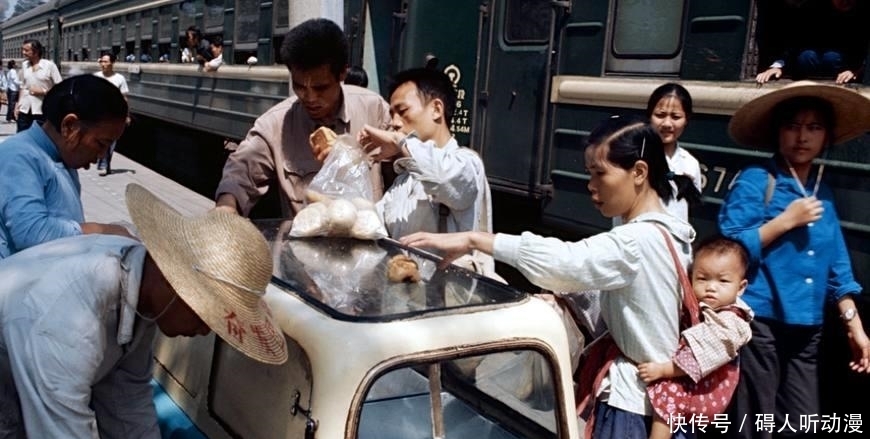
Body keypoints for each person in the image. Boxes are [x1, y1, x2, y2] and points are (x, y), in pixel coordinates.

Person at [401, 116, 702, 439]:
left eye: (600, 173)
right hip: (664, 404)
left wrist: (476, 239)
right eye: (589, 173)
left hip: (636, 408)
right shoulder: (671, 233)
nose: (591, 185)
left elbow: (565, 261)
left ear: (639, 172)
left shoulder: (636, 241)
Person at [0, 183, 288, 438]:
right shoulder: (67, 321)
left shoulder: (142, 291)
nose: (204, 331)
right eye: (205, 316)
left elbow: (127, 399)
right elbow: (61, 428)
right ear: (174, 281)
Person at [719, 81, 870, 439]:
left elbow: (837, 264)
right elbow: (730, 245)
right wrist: (785, 221)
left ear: (826, 136)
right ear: (778, 132)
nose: (803, 137)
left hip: (807, 326)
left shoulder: (822, 192)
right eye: (793, 126)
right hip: (761, 321)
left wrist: (855, 327)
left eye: (814, 127)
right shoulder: (757, 180)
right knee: (755, 420)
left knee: (802, 422)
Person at [214, 18, 390, 218]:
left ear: (342, 73)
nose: (310, 98)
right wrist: (227, 206)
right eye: (299, 86)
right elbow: (240, 172)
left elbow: (406, 169)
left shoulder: (374, 110)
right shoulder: (275, 125)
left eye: (320, 88)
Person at [0, 75, 132, 260]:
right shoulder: (19, 155)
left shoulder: (63, 157)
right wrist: (102, 230)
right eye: (101, 144)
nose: (102, 155)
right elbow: (32, 232)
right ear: (69, 126)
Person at [637, 236, 753, 439]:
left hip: (704, 394)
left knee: (670, 389)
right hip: (695, 390)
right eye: (702, 278)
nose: (711, 287)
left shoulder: (731, 322)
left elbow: (697, 358)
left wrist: (662, 370)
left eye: (723, 281)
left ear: (741, 287)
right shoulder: (701, 307)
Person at [756, 0, 869, 85]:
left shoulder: (862, 17)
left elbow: (863, 53)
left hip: (843, 80)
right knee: (807, 56)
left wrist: (856, 72)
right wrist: (778, 66)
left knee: (831, 57)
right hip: (805, 80)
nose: (845, 1)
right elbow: (796, 43)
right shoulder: (814, 12)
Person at [93, 52, 130, 176]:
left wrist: (126, 115)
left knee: (110, 141)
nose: (103, 64)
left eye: (106, 62)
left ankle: (104, 164)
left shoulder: (119, 79)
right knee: (101, 139)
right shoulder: (96, 77)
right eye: (101, 61)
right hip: (98, 114)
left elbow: (124, 98)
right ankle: (104, 164)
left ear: (113, 63)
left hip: (114, 114)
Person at [15, 39, 62, 133]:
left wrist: (44, 92)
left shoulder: (49, 66)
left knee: (40, 136)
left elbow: (60, 88)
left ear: (36, 52)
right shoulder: (24, 65)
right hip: (25, 108)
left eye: (26, 50)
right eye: (23, 50)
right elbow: (23, 86)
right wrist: (18, 105)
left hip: (41, 110)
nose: (23, 53)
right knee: (22, 135)